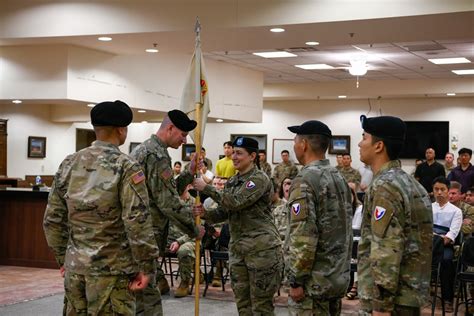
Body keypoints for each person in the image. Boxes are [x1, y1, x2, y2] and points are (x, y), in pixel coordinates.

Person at [43, 100, 160, 315]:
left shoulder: (69, 163)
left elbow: (52, 219)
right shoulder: (126, 166)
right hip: (113, 271)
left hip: (75, 268)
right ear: (121, 130)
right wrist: (146, 267)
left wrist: (63, 258)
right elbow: (137, 220)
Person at [193, 137, 282, 315]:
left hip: (261, 250)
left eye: (239, 153)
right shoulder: (233, 181)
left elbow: (236, 201)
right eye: (233, 152)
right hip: (239, 250)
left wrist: (208, 188)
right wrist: (205, 213)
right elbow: (225, 211)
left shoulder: (259, 179)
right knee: (243, 304)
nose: (234, 156)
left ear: (252, 156)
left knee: (261, 306)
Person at [358, 115, 433, 315]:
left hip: (391, 302)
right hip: (408, 296)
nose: (359, 143)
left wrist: (381, 306)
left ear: (379, 146)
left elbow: (385, 250)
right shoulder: (412, 184)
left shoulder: (385, 186)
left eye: (364, 137)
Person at [130, 109, 203, 314]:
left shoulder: (150, 150)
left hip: (141, 234)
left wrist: (188, 173)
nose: (184, 139)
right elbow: (167, 202)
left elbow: (166, 192)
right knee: (147, 300)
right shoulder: (156, 154)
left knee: (140, 295)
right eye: (182, 133)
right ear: (170, 128)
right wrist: (194, 229)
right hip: (144, 233)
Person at [285, 120, 352, 315]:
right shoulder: (339, 178)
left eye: (295, 141)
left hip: (312, 285)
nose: (295, 145)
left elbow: (303, 237)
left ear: (303, 145)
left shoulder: (304, 180)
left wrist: (296, 279)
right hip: (335, 279)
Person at [432, 177, 463, 312]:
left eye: (442, 189)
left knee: (446, 261)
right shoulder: (428, 208)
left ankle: (447, 299)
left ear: (448, 191)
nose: (439, 192)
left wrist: (437, 238)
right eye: (436, 189)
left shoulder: (456, 211)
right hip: (428, 243)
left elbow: (451, 235)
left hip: (445, 245)